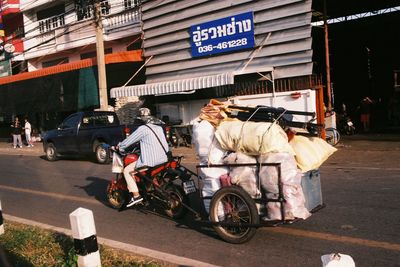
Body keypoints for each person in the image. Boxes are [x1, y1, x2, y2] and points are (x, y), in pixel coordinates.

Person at [117, 108, 169, 207]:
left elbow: (128, 142)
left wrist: (119, 146)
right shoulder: (158, 128)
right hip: (164, 159)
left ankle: (136, 196)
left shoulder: (142, 129)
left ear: (141, 119)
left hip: (151, 161)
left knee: (127, 171)